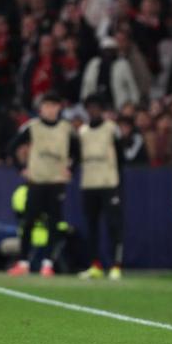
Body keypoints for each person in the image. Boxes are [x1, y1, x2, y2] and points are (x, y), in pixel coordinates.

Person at [6, 92, 78, 277]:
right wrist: (21, 167)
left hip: (56, 181)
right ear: (41, 108)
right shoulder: (32, 126)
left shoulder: (66, 128)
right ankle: (23, 262)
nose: (50, 109)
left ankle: (48, 263)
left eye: (54, 106)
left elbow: (77, 151)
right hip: (36, 181)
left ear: (59, 108)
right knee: (29, 222)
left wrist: (71, 168)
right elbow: (12, 146)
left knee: (54, 223)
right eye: (46, 106)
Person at [77, 95, 125, 280]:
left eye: (96, 107)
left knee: (114, 225)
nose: (93, 111)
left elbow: (121, 156)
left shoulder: (111, 129)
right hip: (89, 184)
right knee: (91, 227)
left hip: (109, 184)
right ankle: (95, 265)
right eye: (90, 108)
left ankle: (116, 265)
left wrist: (118, 182)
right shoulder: (82, 132)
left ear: (102, 110)